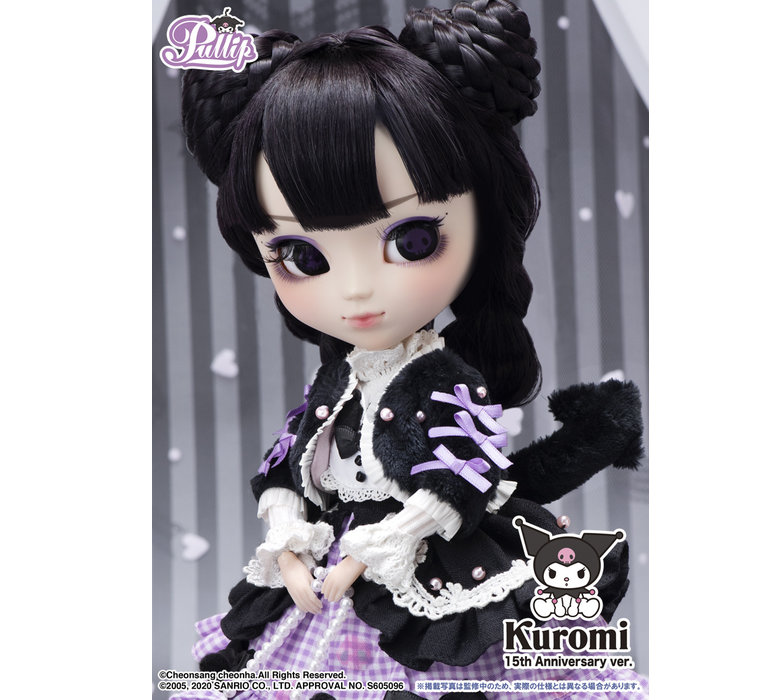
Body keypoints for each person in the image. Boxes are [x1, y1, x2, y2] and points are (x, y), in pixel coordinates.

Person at [175, 2, 647, 698]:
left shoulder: (442, 380)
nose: (356, 291)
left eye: (412, 239)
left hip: (432, 566)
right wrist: (289, 534)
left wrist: (381, 545)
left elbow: (461, 476)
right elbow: (292, 465)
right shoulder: (338, 379)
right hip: (334, 575)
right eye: (301, 255)